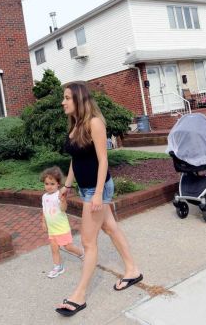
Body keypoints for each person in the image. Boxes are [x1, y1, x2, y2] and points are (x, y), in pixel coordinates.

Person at [55, 82, 143, 317]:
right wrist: (67, 185)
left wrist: (97, 194)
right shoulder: (75, 125)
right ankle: (132, 269)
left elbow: (103, 160)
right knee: (111, 229)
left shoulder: (95, 122)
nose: (62, 102)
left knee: (88, 242)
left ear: (79, 100)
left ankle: (79, 295)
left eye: (66, 98)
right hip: (86, 188)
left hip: (98, 188)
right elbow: (75, 159)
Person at [40, 166, 84, 279]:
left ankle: (82, 254)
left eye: (52, 184)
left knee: (68, 247)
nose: (49, 186)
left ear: (58, 184)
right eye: (46, 184)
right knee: (54, 249)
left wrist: (63, 201)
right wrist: (43, 223)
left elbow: (64, 209)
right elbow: (44, 210)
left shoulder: (59, 194)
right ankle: (58, 267)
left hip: (62, 228)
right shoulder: (44, 197)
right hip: (52, 229)